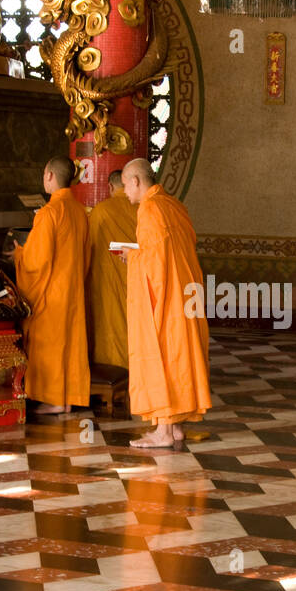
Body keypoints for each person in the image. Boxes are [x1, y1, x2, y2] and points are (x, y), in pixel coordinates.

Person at [121, 158, 212, 447]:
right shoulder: (174, 205)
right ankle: (174, 428)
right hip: (189, 292)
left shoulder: (149, 208)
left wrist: (130, 256)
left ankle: (163, 432)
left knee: (165, 356)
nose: (124, 191)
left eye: (124, 185)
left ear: (136, 181)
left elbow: (156, 263)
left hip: (169, 297)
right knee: (180, 357)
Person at [13, 156, 90, 414]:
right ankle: (67, 397)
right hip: (74, 290)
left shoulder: (49, 213)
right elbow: (86, 254)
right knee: (70, 344)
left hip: (51, 293)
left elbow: (37, 260)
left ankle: (55, 400)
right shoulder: (80, 211)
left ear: (49, 175)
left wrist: (19, 255)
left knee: (50, 344)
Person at [87, 170, 137, 369]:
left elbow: (88, 246)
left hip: (108, 283)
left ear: (110, 187)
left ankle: (112, 374)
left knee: (110, 329)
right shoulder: (143, 208)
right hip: (138, 280)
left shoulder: (101, 211)